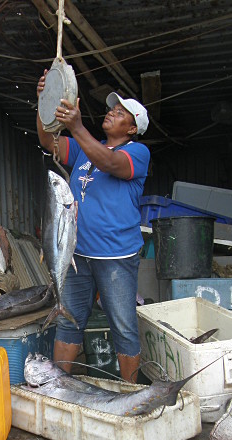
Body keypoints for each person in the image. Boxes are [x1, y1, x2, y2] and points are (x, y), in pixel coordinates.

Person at [37, 70, 150, 383]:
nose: (112, 111)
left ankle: (130, 393)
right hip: (77, 255)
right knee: (68, 323)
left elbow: (110, 164)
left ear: (132, 127)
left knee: (123, 327)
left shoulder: (137, 153)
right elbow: (48, 140)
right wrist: (43, 103)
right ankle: (58, 387)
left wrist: (77, 126)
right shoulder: (87, 150)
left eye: (122, 112)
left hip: (116, 257)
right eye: (112, 108)